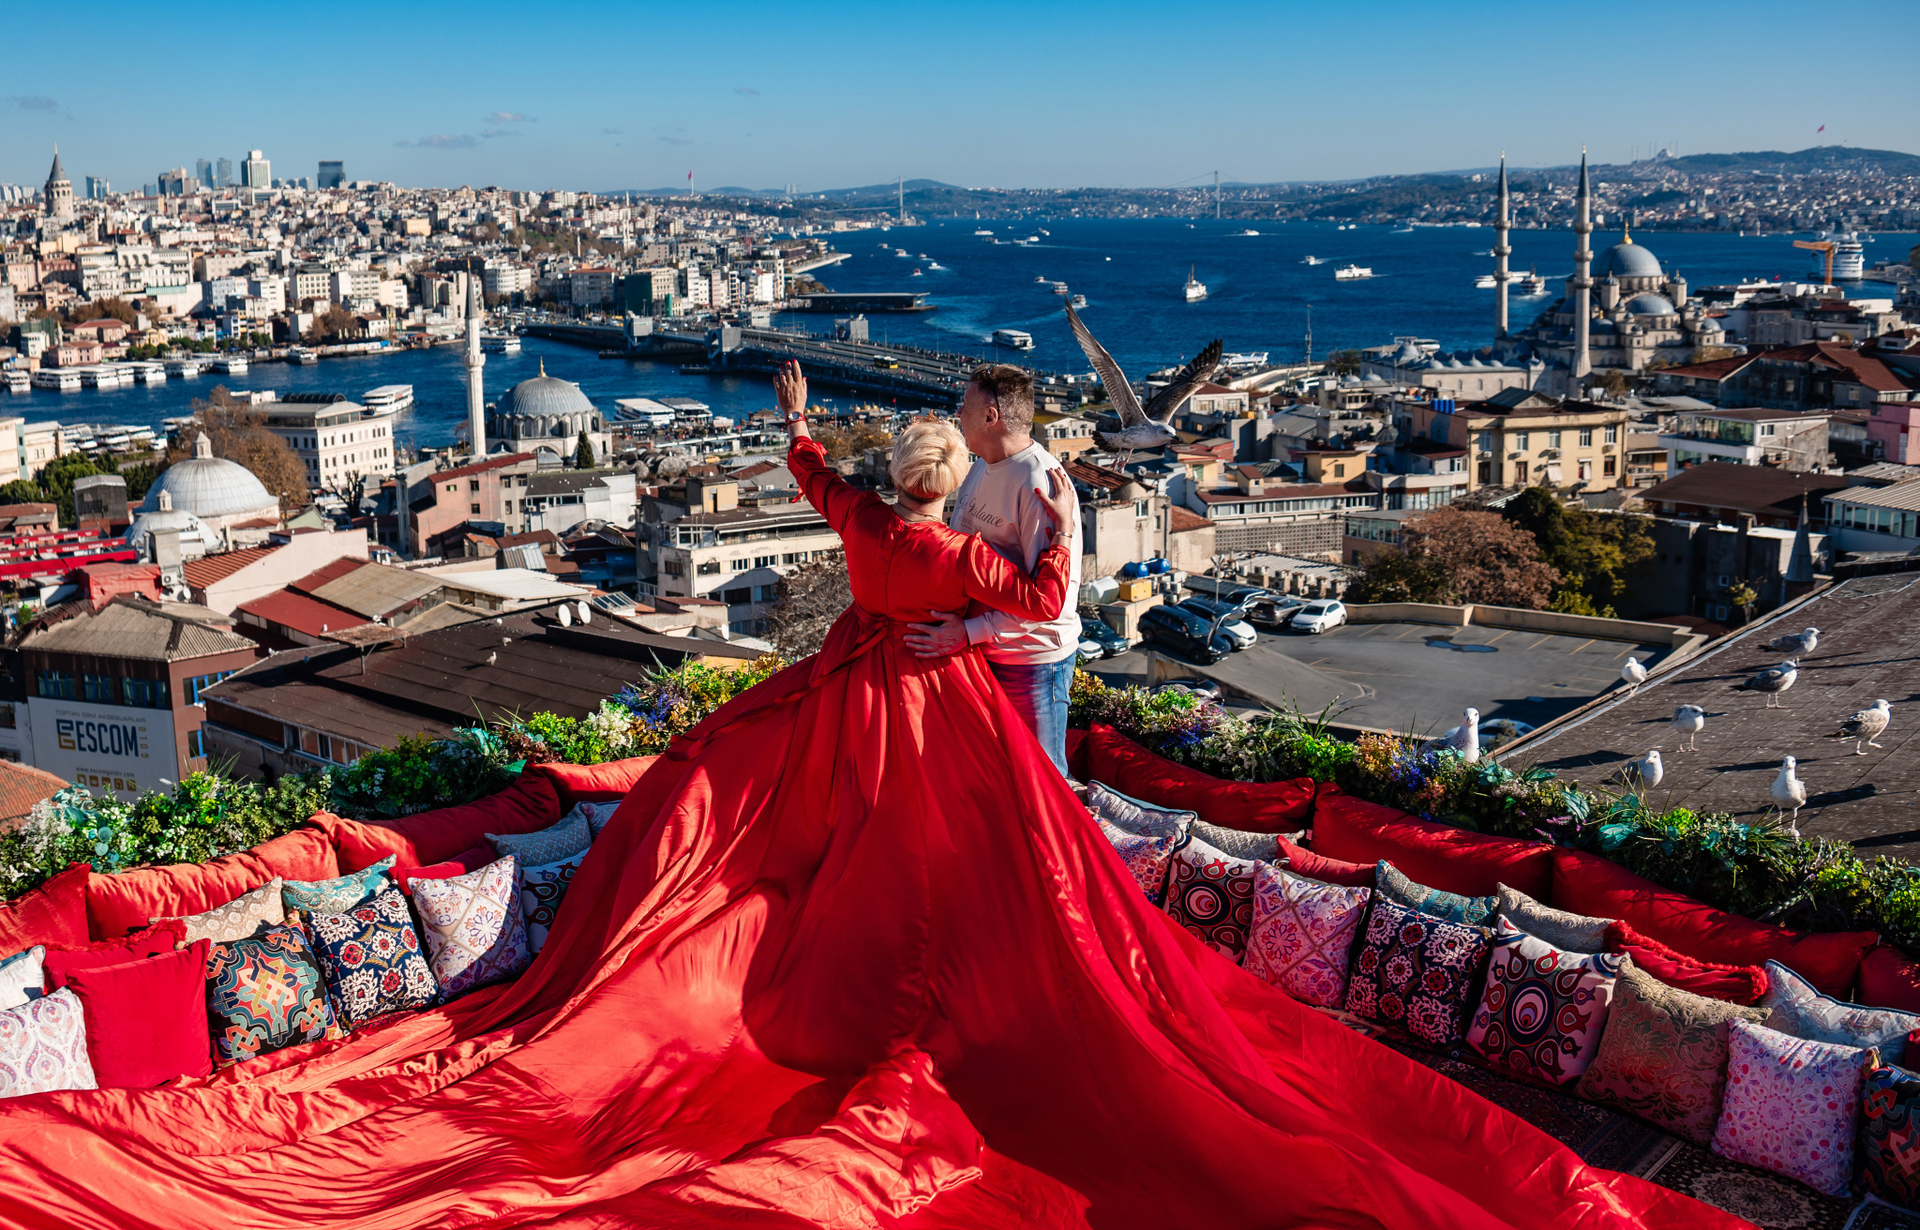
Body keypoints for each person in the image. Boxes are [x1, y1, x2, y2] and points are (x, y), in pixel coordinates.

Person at [0, 360, 1738, 1230]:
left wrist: (797, 417)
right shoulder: (949, 550)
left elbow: (817, 475)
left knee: (810, 856)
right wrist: (992, 584)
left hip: (852, 700)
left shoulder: (865, 528)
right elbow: (1032, 602)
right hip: (945, 708)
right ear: (947, 473)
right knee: (995, 884)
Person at [904, 364, 1081, 777]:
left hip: (1031, 662)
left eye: (965, 406)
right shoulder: (982, 465)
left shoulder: (1040, 484)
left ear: (990, 416)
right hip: (982, 652)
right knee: (994, 777)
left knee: (1041, 779)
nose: (958, 414)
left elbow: (1050, 601)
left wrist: (967, 632)